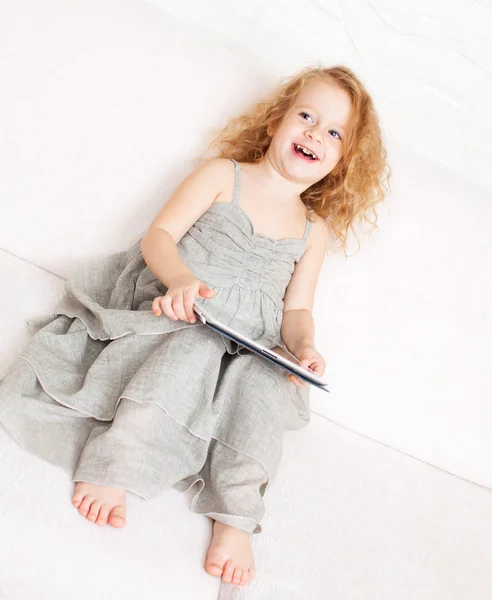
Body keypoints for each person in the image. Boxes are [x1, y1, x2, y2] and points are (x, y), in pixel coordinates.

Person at [0, 64, 389, 587]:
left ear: (342, 161)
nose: (316, 133)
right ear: (275, 121)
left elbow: (297, 309)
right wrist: (180, 280)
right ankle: (118, 462)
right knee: (186, 358)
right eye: (307, 116)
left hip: (250, 343)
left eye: (334, 132)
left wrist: (303, 347)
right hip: (180, 313)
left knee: (263, 394)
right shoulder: (223, 175)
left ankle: (235, 513)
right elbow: (159, 235)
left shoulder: (313, 230)